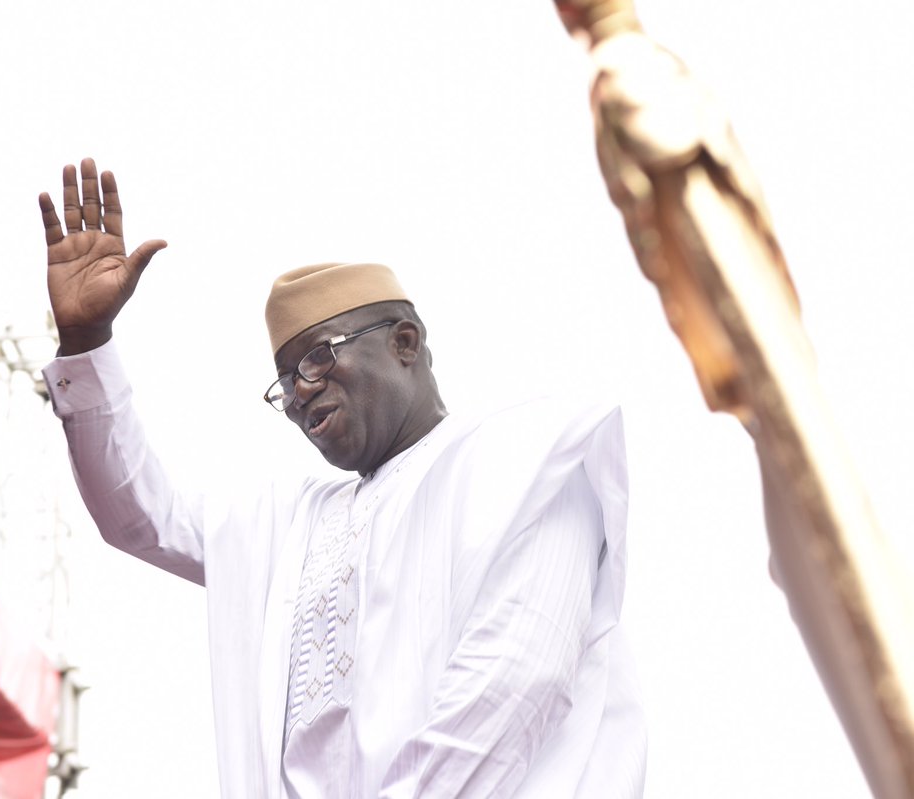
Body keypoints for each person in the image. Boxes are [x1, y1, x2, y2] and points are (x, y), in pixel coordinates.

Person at [37, 158, 647, 797]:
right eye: (286, 379)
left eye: (320, 356)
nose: (301, 392)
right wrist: (87, 341)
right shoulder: (295, 526)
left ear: (404, 342)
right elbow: (139, 515)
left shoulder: (525, 461)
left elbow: (513, 687)